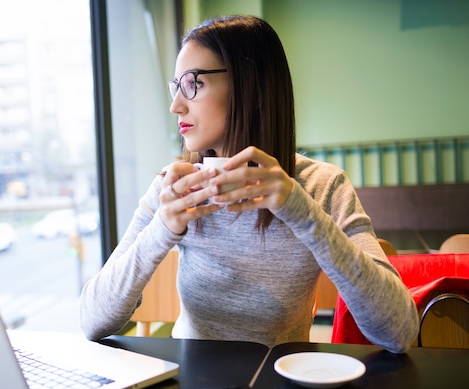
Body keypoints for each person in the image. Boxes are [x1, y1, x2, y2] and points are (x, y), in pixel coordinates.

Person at [80, 15, 419, 353]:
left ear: (252, 88)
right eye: (176, 86)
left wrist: (300, 212)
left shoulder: (322, 187)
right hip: (191, 386)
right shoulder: (174, 188)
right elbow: (92, 320)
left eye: (193, 83)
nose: (175, 105)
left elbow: (399, 331)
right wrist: (161, 229)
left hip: (281, 384)